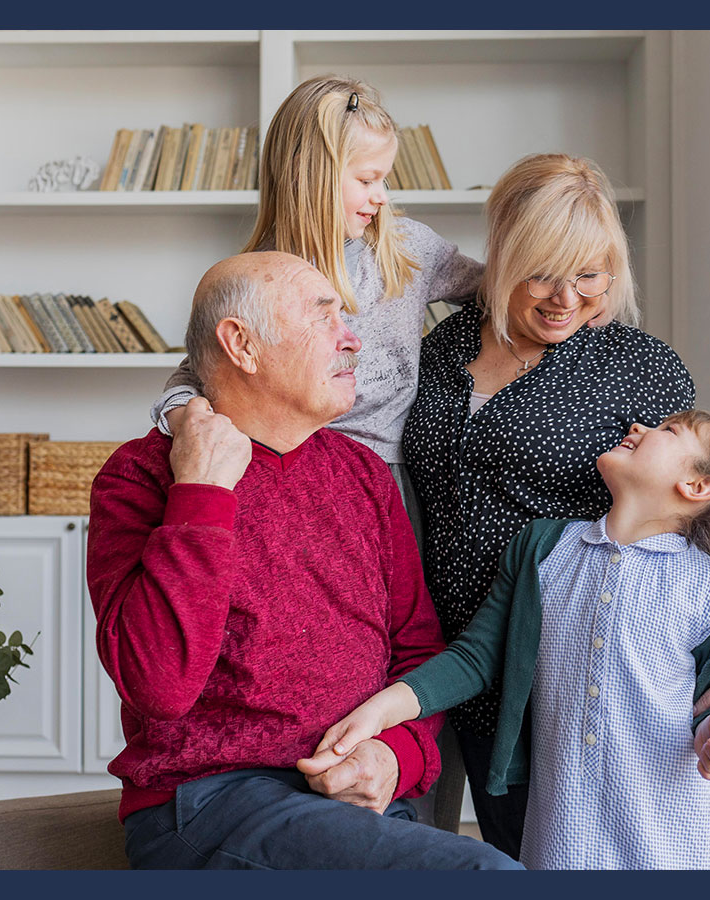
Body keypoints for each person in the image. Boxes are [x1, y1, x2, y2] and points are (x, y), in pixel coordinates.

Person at [399, 153, 710, 857]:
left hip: (550, 674)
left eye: (590, 274)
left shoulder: (637, 366)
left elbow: (704, 509)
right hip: (430, 653)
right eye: (541, 271)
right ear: (503, 255)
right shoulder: (441, 346)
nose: (565, 297)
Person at [86, 251, 521, 870]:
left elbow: (416, 649)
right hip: (211, 800)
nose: (353, 338)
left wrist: (395, 754)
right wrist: (203, 493)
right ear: (242, 344)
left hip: (351, 802)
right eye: (325, 318)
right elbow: (160, 685)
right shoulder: (142, 476)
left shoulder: (362, 474)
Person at [149, 77, 482, 830]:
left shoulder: (407, 248)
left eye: (386, 177)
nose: (381, 194)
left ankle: (410, 819)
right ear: (311, 174)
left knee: (413, 661)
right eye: (366, 178)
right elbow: (190, 379)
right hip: (292, 478)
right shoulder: (264, 274)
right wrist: (193, 429)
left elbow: (497, 293)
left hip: (390, 487)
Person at [300, 409, 710, 869]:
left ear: (696, 487)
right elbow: (474, 658)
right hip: (564, 825)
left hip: (673, 831)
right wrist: (379, 711)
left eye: (669, 430)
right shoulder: (543, 548)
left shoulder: (707, 582)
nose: (639, 426)